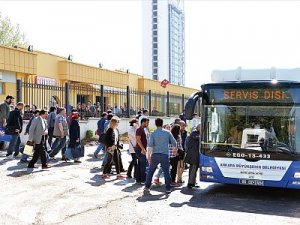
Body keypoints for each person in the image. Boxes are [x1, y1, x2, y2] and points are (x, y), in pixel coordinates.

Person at [144, 118, 177, 194]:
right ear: (162, 124)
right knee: (166, 172)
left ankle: (147, 186)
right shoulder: (167, 133)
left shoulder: (153, 133)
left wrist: (148, 155)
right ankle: (168, 188)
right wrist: (174, 150)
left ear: (155, 124)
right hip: (164, 154)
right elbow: (174, 142)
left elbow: (150, 146)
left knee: (151, 171)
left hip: (155, 154)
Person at [185, 124, 200, 188]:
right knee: (193, 168)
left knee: (194, 168)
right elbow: (199, 137)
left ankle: (192, 182)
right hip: (193, 154)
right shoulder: (194, 134)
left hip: (194, 154)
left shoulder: (196, 133)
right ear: (198, 128)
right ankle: (190, 183)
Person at [135, 118, 149, 183]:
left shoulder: (144, 129)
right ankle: (143, 179)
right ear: (143, 122)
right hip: (140, 149)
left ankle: (139, 179)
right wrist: (143, 149)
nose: (147, 124)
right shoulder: (139, 130)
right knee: (143, 165)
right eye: (147, 122)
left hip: (142, 149)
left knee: (140, 164)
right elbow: (138, 140)